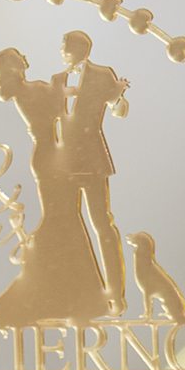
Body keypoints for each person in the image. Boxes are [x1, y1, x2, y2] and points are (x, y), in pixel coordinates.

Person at [0, 47, 108, 325]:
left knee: (65, 220)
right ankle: (79, 297)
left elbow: (58, 101)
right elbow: (57, 108)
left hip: (51, 158)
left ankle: (71, 296)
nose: (26, 59)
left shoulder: (28, 90)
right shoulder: (29, 92)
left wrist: (63, 85)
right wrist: (62, 83)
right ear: (17, 67)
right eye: (20, 58)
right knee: (67, 220)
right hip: (52, 161)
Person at [57, 30, 130, 309]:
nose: (61, 52)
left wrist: (119, 96)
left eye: (64, 47)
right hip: (64, 162)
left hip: (91, 159)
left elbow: (118, 110)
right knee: (68, 225)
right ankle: (80, 291)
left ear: (77, 49)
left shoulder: (101, 75)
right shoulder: (58, 80)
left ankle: (115, 292)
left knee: (101, 223)